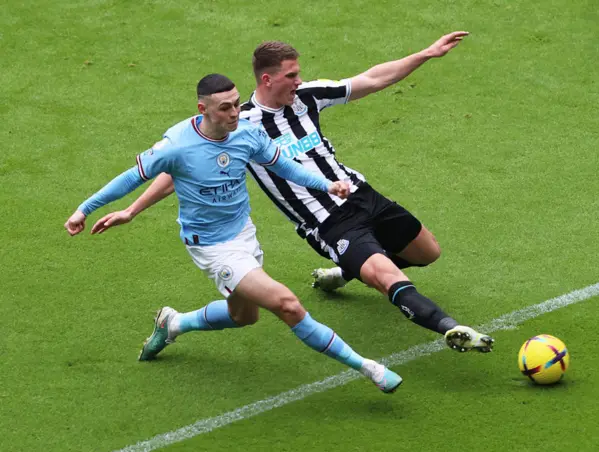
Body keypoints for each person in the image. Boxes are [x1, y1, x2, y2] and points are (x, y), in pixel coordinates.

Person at [91, 32, 494, 353]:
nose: (298, 81)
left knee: (427, 253)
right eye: (291, 75)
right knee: (386, 277)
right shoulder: (240, 125)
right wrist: (132, 209)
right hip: (328, 221)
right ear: (267, 79)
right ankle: (449, 327)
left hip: (360, 194)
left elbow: (371, 79)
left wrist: (426, 53)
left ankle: (345, 270)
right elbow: (178, 172)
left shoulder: (307, 98)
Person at [64, 73, 403, 394]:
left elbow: (283, 166)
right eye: (224, 107)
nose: (234, 113)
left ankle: (175, 324)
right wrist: (85, 209)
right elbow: (131, 177)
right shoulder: (176, 146)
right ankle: (368, 367)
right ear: (203, 109)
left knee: (244, 316)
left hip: (243, 233)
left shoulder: (247, 133)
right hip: (212, 247)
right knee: (287, 304)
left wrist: (327, 184)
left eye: (237, 104)